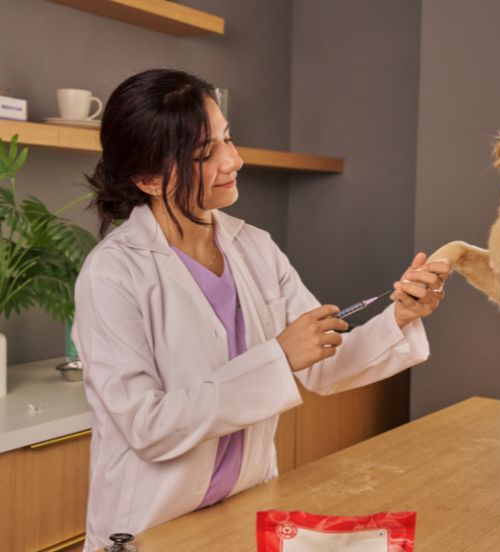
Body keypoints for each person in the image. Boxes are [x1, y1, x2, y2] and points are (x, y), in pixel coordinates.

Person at [72, 68, 449, 551]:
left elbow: (321, 364)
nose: (234, 160)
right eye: (206, 154)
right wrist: (279, 358)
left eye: (228, 139)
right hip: (152, 529)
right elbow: (148, 426)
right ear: (147, 178)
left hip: (244, 510)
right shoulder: (112, 274)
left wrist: (401, 315)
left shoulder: (254, 247)